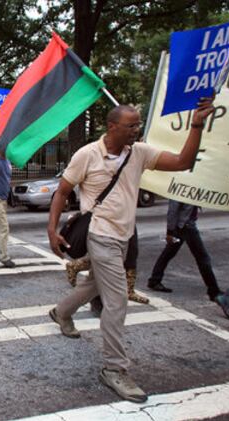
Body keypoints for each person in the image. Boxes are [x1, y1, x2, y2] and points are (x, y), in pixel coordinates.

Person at [47, 99, 215, 403]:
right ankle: (114, 369)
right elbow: (62, 191)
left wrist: (197, 124)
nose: (137, 130)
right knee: (116, 300)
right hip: (100, 235)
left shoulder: (138, 152)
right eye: (131, 126)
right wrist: (51, 230)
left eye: (138, 124)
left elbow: (182, 162)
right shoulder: (87, 154)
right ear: (112, 127)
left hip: (124, 235)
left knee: (95, 283)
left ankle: (61, 312)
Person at [147, 199, 222, 301]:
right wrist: (169, 231)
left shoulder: (191, 186)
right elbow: (173, 210)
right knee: (203, 258)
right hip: (185, 227)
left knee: (168, 254)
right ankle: (214, 291)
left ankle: (154, 280)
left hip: (183, 226)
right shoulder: (181, 188)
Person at [65, 229, 150, 305]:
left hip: (124, 219)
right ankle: (77, 266)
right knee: (110, 255)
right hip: (109, 221)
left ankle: (129, 289)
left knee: (130, 251)